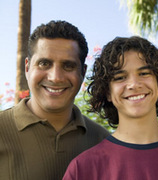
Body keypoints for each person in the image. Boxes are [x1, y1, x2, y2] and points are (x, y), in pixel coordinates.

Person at [63, 36, 158, 180]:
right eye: (120, 77)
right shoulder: (82, 170)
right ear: (107, 92)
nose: (133, 85)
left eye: (144, 73)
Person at [0, 20, 110, 180]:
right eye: (44, 63)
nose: (56, 77)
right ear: (27, 68)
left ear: (83, 72)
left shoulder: (102, 141)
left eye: (68, 66)